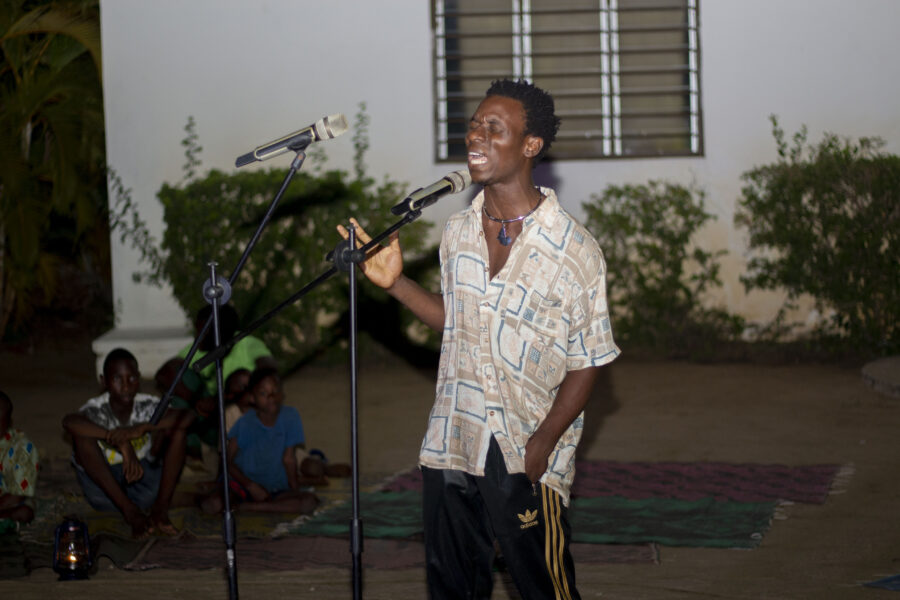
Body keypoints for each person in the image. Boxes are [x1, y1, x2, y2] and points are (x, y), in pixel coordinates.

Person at [338, 79, 620, 599]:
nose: (477, 136)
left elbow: (589, 360)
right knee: (453, 589)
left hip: (524, 447)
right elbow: (458, 320)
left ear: (530, 145)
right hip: (454, 439)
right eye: (474, 125)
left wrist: (544, 440)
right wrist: (395, 283)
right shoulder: (458, 231)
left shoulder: (573, 249)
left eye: (495, 128)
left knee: (545, 587)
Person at [62, 348, 191, 538]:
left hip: (144, 483)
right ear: (103, 381)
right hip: (105, 493)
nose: (126, 386)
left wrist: (143, 427)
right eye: (117, 379)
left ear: (139, 378)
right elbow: (69, 422)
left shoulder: (147, 404)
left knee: (177, 431)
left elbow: (188, 416)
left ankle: (160, 510)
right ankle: (131, 513)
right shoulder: (96, 409)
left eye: (131, 378)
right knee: (81, 437)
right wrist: (119, 441)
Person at [200, 367, 318, 514]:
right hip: (243, 483)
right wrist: (250, 486)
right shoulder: (245, 423)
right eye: (263, 393)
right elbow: (227, 461)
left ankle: (253, 507)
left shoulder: (291, 416)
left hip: (274, 487)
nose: (271, 397)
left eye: (275, 392)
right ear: (252, 397)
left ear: (282, 394)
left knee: (309, 502)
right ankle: (242, 502)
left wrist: (295, 490)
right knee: (213, 504)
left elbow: (289, 459)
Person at [0, 390, 39, 527]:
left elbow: (17, 495)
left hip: (9, 502)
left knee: (24, 512)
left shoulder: (22, 448)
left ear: (7, 421)